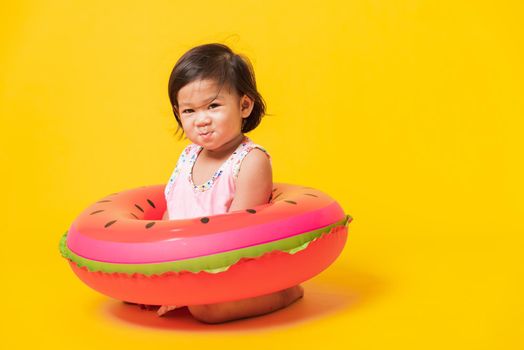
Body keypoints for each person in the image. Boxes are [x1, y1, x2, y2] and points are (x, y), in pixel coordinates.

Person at [156, 43, 303, 323]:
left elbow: (239, 239)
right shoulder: (188, 156)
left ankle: (283, 293)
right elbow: (171, 214)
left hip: (229, 266)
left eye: (213, 106)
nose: (202, 120)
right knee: (131, 289)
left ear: (244, 105)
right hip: (189, 263)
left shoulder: (250, 161)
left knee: (206, 309)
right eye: (189, 111)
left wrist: (188, 284)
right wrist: (163, 268)